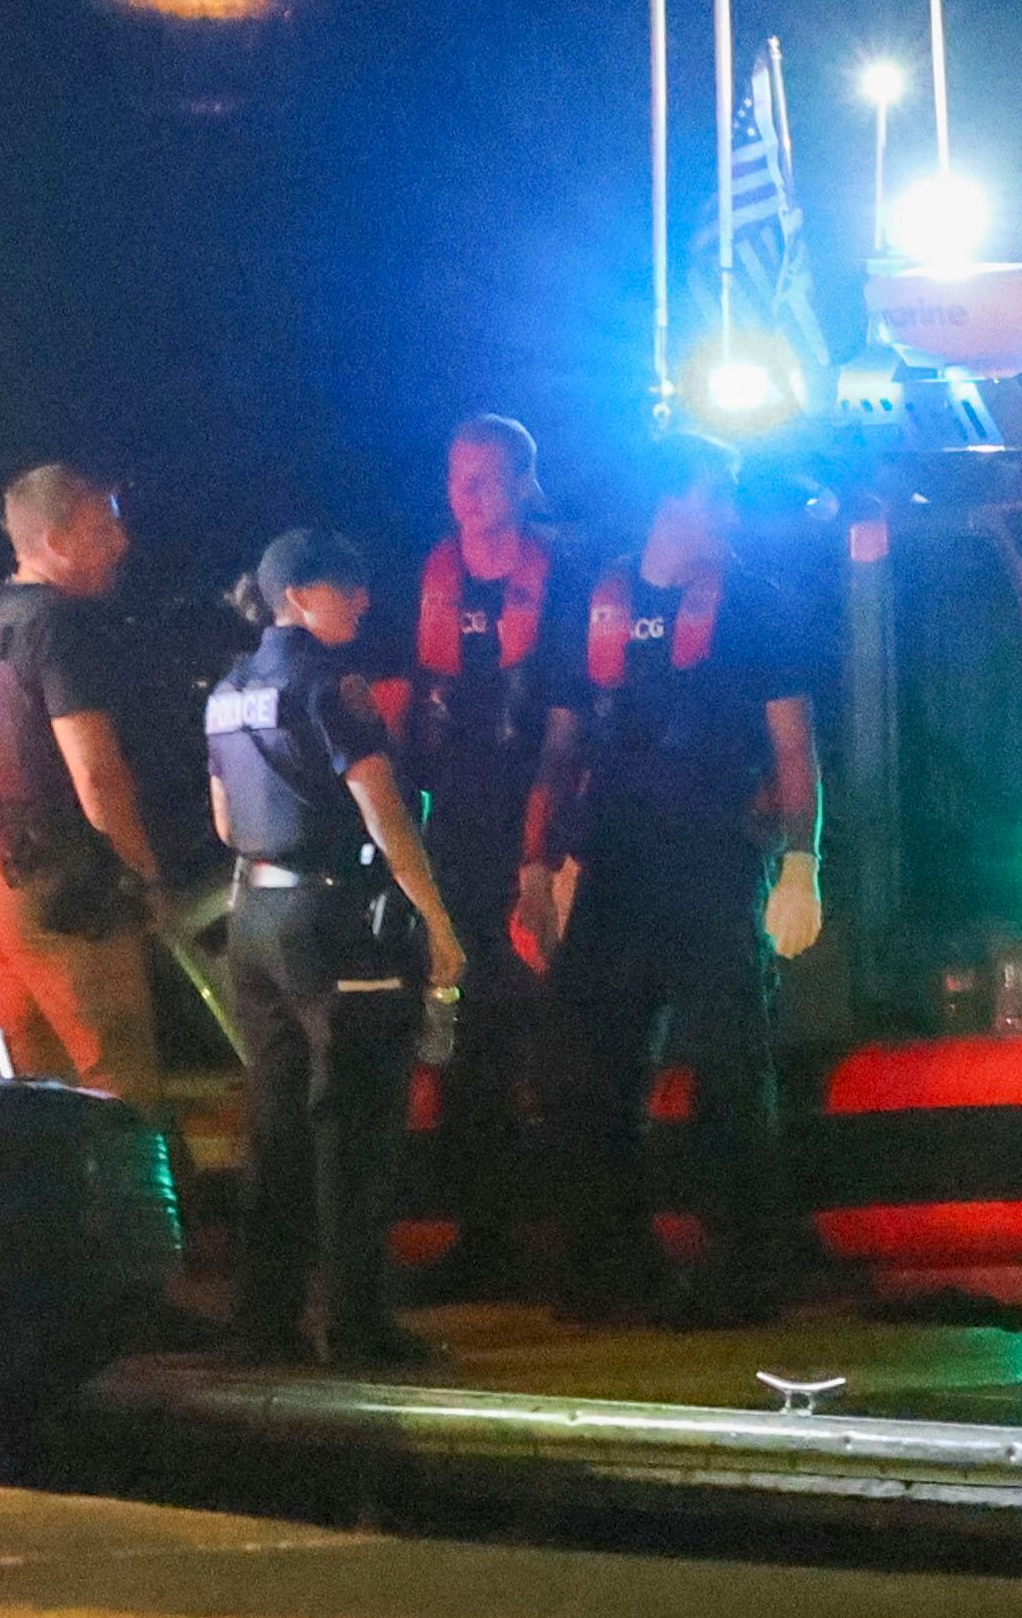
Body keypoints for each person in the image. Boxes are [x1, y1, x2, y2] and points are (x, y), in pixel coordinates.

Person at [527, 443, 826, 1324]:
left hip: (713, 858)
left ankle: (743, 1270)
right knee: (586, 1066)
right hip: (614, 865)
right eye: (717, 494)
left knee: (732, 1066)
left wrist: (803, 863)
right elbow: (558, 750)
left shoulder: (761, 607)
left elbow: (794, 748)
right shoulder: (592, 605)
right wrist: (535, 867)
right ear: (671, 502)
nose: (730, 511)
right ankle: (607, 1262)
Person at [208, 531, 469, 1366]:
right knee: (354, 1124)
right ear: (299, 594)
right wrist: (439, 925)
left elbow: (223, 821)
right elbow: (384, 814)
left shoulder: (227, 688)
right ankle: (358, 1328)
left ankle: (263, 1321)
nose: (362, 601)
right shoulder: (328, 683)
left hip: (252, 917)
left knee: (277, 1124)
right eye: (346, 587)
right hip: (332, 919)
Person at [378, 415, 570, 1301]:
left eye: (489, 474)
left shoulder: (567, 573)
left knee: (554, 1029)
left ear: (527, 479)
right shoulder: (426, 576)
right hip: (454, 833)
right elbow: (398, 708)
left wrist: (560, 848)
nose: (470, 490)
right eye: (458, 475)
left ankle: (569, 1232)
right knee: (469, 1037)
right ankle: (478, 1232)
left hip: (552, 831)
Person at [0, 464, 167, 1094]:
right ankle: (139, 1198)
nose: (121, 543)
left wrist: (10, 791)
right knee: (120, 1087)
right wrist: (141, 872)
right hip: (62, 888)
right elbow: (97, 773)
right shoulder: (63, 625)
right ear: (56, 541)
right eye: (104, 527)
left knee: (38, 1093)